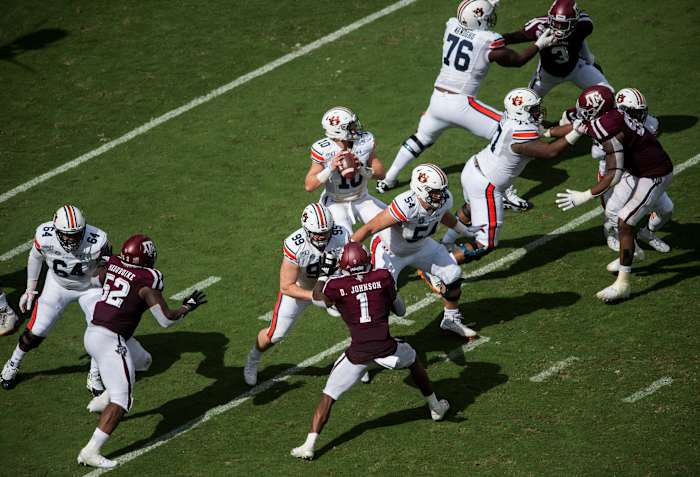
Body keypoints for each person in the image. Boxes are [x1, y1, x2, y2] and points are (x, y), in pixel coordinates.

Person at [377, 0, 559, 210]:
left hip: (437, 99)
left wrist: (523, 34)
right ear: (480, 19)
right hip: (461, 104)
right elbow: (514, 60)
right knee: (511, 132)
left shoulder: (452, 25)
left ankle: (388, 179)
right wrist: (538, 45)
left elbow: (494, 40)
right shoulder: (487, 40)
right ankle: (504, 192)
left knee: (421, 138)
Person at [290, 242, 449, 460]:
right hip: (387, 349)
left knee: (328, 396)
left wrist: (323, 276)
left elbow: (318, 300)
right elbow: (401, 311)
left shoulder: (336, 286)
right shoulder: (383, 277)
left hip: (358, 355)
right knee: (412, 358)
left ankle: (309, 444)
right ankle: (435, 406)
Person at [77, 234, 207, 468]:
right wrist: (188, 306)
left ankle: (103, 398)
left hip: (93, 332)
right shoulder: (148, 279)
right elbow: (166, 320)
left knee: (143, 361)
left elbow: (96, 280)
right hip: (110, 339)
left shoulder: (114, 262)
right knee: (123, 400)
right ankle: (90, 450)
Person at [555, 86, 673, 302]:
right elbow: (583, 127)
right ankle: (632, 252)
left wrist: (583, 196)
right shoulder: (615, 117)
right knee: (615, 214)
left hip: (652, 174)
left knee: (626, 221)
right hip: (634, 170)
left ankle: (623, 283)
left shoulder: (611, 128)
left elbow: (613, 175)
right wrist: (548, 132)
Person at [441, 87, 583, 253]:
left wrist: (580, 125)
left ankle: (446, 242)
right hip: (486, 183)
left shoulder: (513, 120)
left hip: (474, 168)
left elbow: (549, 131)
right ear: (522, 111)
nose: (538, 111)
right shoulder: (521, 133)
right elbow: (550, 152)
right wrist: (579, 131)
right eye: (533, 108)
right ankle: (440, 267)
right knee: (485, 243)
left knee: (471, 208)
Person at [352, 164, 480, 339]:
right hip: (391, 252)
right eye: (435, 192)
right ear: (420, 189)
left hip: (421, 246)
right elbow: (370, 227)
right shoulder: (406, 205)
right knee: (379, 297)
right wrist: (348, 249)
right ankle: (378, 340)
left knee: (453, 274)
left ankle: (451, 319)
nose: (441, 196)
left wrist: (463, 230)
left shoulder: (442, 200)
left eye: (442, 191)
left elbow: (443, 214)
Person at [1, 205, 111, 391]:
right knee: (36, 332)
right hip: (57, 285)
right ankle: (13, 363)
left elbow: (107, 267)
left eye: (76, 233)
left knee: (100, 332)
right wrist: (30, 290)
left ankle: (94, 373)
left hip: (90, 289)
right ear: (56, 229)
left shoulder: (98, 240)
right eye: (66, 233)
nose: (71, 238)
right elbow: (35, 258)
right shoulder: (45, 235)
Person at [243, 203, 349, 386]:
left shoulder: (341, 234)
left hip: (332, 284)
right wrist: (314, 297)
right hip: (301, 288)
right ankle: (253, 359)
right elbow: (286, 286)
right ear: (306, 229)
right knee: (275, 334)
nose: (323, 237)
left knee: (360, 319)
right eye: (318, 233)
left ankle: (360, 361)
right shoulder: (295, 244)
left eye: (326, 232)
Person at [501, 0, 611, 98]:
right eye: (555, 23)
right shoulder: (540, 25)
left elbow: (580, 37)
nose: (558, 29)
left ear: (574, 22)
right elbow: (515, 36)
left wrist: (588, 58)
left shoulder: (584, 24)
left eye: (563, 25)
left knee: (608, 93)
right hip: (547, 75)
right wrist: (493, 39)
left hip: (576, 68)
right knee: (528, 102)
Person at [304, 107, 387, 232]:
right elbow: (309, 185)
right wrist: (330, 168)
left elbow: (381, 174)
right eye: (350, 126)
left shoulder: (365, 141)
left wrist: (362, 169)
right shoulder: (324, 150)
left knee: (391, 227)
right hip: (335, 202)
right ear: (338, 131)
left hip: (362, 198)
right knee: (344, 243)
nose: (355, 128)